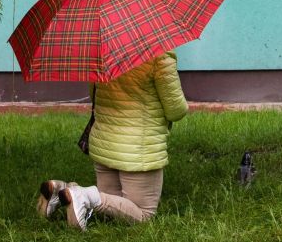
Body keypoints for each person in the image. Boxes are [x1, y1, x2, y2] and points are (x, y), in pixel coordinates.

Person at [37, 49, 189, 229]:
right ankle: (82, 196)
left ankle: (62, 191)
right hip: (138, 150)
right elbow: (176, 111)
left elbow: (94, 94)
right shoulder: (159, 55)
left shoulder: (101, 50)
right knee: (144, 214)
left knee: (110, 208)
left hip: (104, 145)